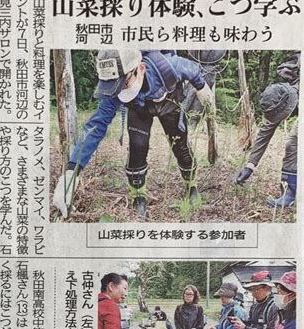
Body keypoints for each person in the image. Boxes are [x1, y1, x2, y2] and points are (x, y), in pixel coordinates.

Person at [53, 49, 214, 219]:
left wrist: (202, 89)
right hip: (139, 108)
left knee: (180, 146)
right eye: (113, 85)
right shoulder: (115, 93)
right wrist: (71, 173)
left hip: (170, 103)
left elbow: (194, 71)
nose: (119, 90)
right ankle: (138, 195)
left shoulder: (169, 66)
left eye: (123, 83)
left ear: (141, 69)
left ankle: (191, 186)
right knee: (138, 147)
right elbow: (96, 126)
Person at [235, 54, 299, 208]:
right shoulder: (286, 93)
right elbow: (265, 131)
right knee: (294, 143)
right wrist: (250, 165)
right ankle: (290, 192)